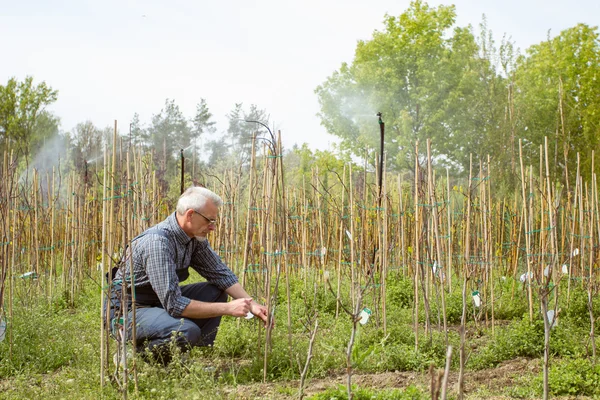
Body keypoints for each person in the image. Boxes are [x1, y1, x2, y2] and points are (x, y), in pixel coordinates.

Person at [110, 186, 268, 362]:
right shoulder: (157, 243)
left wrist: (251, 304)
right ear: (191, 215)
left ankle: (185, 356)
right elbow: (174, 304)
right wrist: (229, 308)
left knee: (215, 291)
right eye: (210, 221)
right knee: (185, 331)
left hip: (158, 302)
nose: (212, 228)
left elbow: (221, 275)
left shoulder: (193, 239)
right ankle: (136, 354)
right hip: (129, 309)